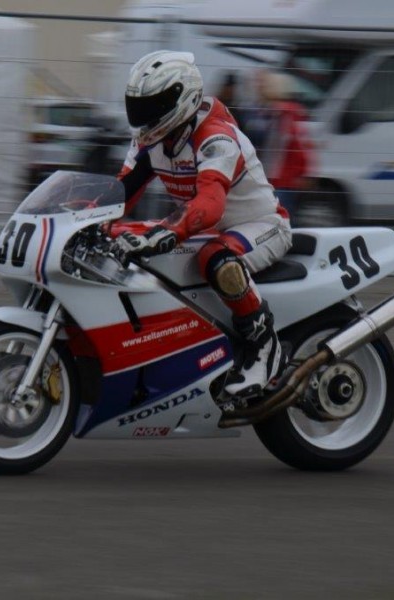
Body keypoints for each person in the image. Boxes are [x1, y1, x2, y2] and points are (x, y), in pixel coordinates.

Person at [111, 50, 292, 399]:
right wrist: (84, 218)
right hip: (209, 226)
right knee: (124, 238)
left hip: (261, 224)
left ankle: (264, 346)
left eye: (153, 104)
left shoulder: (215, 136)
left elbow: (210, 203)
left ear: (183, 96)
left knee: (217, 258)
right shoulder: (151, 140)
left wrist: (168, 231)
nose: (143, 115)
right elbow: (121, 191)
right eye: (138, 105)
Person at [253, 71, 314, 215]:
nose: (259, 88)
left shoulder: (282, 113)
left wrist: (302, 171)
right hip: (282, 179)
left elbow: (296, 144)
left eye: (263, 85)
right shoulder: (285, 112)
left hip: (281, 179)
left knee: (278, 219)